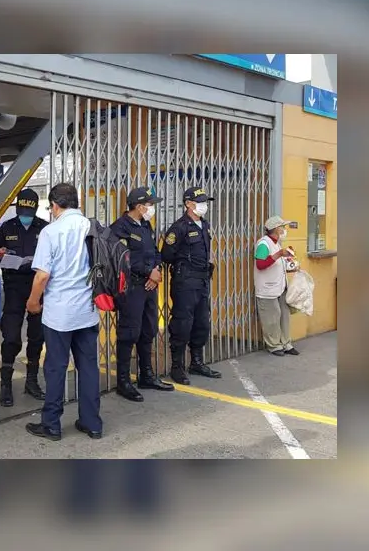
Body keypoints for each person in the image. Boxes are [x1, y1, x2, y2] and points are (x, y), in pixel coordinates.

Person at [24, 183, 103, 441]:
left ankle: (51, 425)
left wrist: (33, 301)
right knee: (89, 367)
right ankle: (92, 424)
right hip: (88, 310)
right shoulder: (93, 227)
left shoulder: (51, 231)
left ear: (55, 206)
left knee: (56, 368)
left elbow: (42, 275)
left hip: (59, 314)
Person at [111, 187, 173, 401]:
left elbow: (155, 252)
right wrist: (149, 272)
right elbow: (123, 258)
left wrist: (155, 271)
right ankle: (123, 381)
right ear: (139, 206)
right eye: (149, 204)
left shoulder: (146, 225)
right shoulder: (120, 228)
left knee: (149, 330)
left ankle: (146, 374)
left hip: (149, 286)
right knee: (129, 332)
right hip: (131, 288)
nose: (151, 208)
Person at [0, 188, 47, 406]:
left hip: (37, 288)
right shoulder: (7, 228)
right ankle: (6, 384)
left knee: (36, 336)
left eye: (29, 211)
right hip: (14, 288)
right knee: (11, 336)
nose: (25, 215)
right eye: (22, 210)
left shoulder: (44, 228)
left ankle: (31, 381)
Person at [160, 186, 222, 384]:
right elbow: (167, 255)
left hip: (202, 280)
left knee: (201, 322)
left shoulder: (204, 225)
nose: (204, 206)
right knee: (182, 323)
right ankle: (177, 366)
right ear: (188, 204)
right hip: (185, 282)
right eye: (200, 202)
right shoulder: (179, 228)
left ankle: (196, 361)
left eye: (205, 202)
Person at [254, 215, 301, 356]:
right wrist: (280, 254)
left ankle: (286, 343)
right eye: (283, 227)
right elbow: (261, 264)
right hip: (267, 289)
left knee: (284, 316)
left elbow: (277, 264)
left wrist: (290, 264)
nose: (285, 230)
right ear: (275, 229)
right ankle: (274, 345)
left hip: (280, 287)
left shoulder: (277, 243)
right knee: (271, 319)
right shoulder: (263, 244)